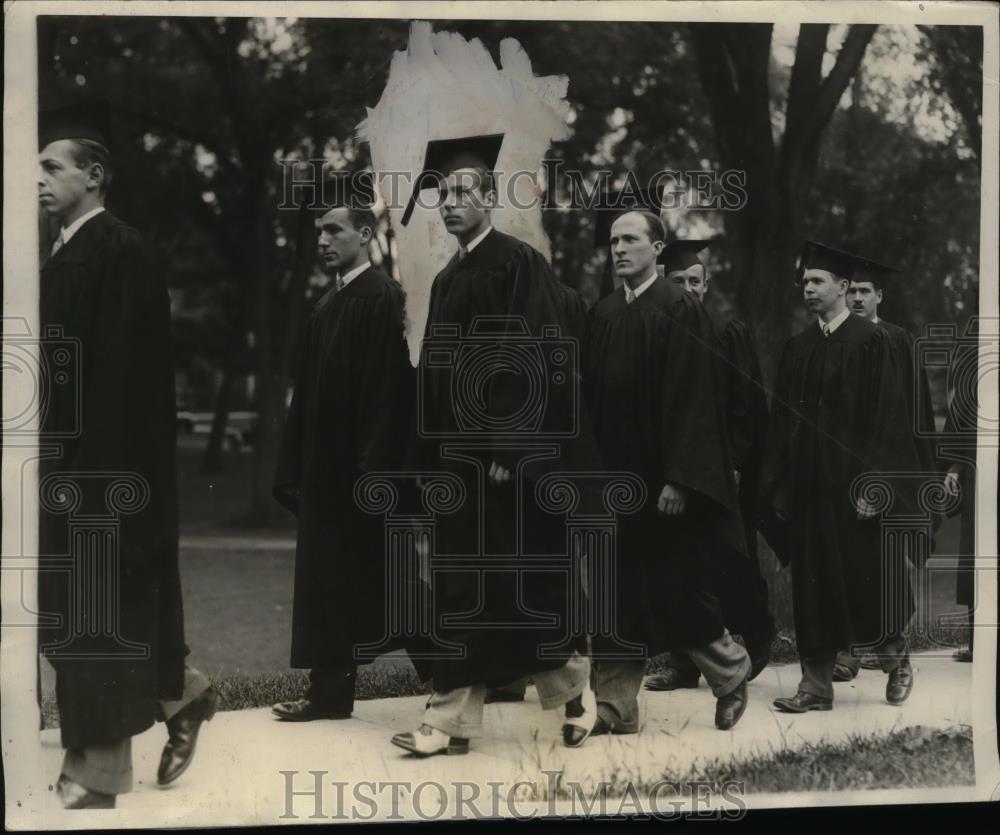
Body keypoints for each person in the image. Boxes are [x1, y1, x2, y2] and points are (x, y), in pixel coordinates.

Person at [390, 134, 598, 756]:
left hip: (507, 468)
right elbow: (435, 377)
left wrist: (512, 450)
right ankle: (450, 720)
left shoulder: (518, 264)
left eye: (462, 192)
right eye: (443, 194)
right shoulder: (447, 278)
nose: (450, 203)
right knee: (463, 590)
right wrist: (426, 461)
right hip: (461, 469)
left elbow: (538, 357)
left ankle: (573, 691)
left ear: (489, 199)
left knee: (518, 591)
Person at [37, 102, 216, 809]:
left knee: (97, 612)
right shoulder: (61, 254)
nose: (38, 180)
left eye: (52, 167)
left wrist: (89, 478)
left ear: (94, 175)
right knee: (68, 611)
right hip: (66, 464)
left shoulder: (119, 249)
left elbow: (118, 383)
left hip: (105, 472)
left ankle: (100, 772)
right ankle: (184, 694)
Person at [584, 211, 751, 735]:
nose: (619, 248)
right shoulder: (604, 312)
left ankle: (730, 673)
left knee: (676, 587)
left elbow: (695, 398)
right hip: (615, 481)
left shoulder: (680, 307)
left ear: (657, 249)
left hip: (663, 481)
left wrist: (681, 477)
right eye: (614, 240)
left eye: (631, 239)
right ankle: (616, 706)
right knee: (613, 593)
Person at [271, 192, 416, 722]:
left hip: (361, 472)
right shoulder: (327, 304)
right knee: (334, 583)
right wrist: (293, 469)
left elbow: (387, 393)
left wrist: (374, 471)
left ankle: (463, 677)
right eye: (319, 232)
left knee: (392, 586)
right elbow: (305, 396)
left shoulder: (382, 297)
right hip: (325, 473)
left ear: (365, 234)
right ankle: (329, 693)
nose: (324, 240)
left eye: (334, 230)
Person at [761, 242, 921, 714]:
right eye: (805, 282)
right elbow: (782, 423)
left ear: (843, 287)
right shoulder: (799, 348)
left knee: (866, 581)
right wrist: (779, 488)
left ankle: (896, 660)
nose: (808, 289)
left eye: (818, 281)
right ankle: (815, 686)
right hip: (811, 490)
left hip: (855, 492)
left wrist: (876, 485)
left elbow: (889, 420)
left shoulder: (873, 342)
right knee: (813, 587)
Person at [645, 240, 774, 692]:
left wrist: (735, 463)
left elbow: (746, 406)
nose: (687, 288)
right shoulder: (656, 328)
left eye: (694, 281)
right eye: (677, 280)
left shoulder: (726, 331)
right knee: (677, 564)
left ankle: (755, 640)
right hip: (674, 470)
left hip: (721, 471)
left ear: (706, 285)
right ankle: (683, 663)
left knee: (728, 560)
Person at [828, 264, 940, 682]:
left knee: (883, 565)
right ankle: (849, 650)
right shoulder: (836, 340)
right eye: (852, 291)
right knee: (844, 561)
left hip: (890, 466)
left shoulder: (897, 340)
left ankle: (890, 647)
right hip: (841, 468)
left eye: (865, 291)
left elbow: (913, 412)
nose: (857, 298)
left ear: (880, 296)